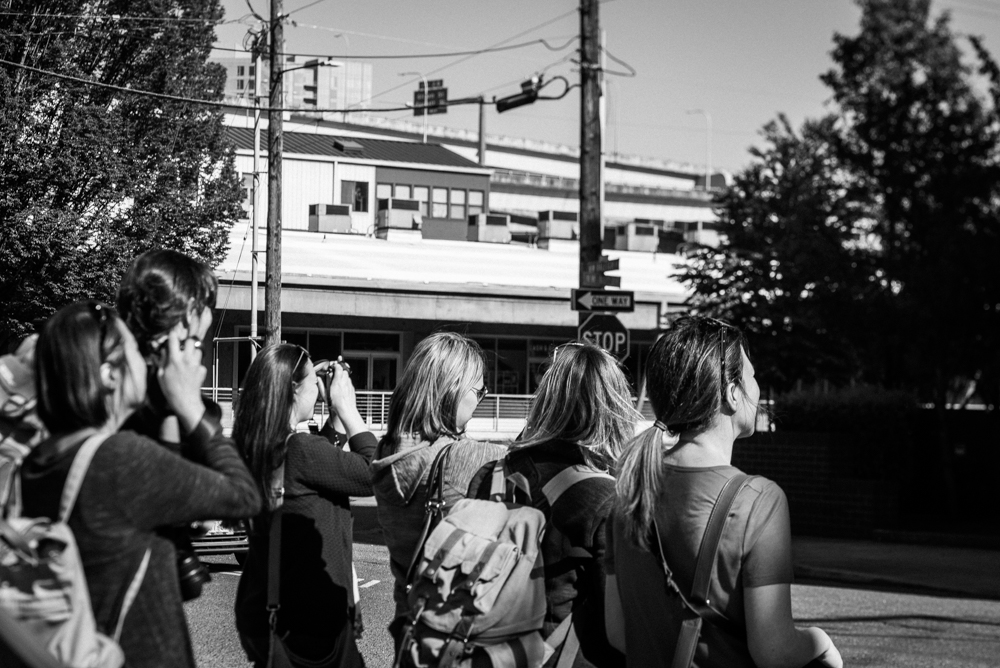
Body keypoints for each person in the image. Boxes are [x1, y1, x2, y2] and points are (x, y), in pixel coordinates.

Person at [20, 301, 261, 668]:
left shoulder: (40, 459)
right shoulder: (119, 459)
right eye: (135, 350)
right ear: (109, 375)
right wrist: (189, 404)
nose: (146, 364)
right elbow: (243, 496)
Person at [604, 316, 843, 668]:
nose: (756, 388)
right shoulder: (758, 500)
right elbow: (775, 651)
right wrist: (821, 642)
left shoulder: (629, 490)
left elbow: (618, 633)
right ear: (732, 393)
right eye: (752, 376)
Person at [495, 342, 640, 667]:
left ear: (546, 402)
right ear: (613, 411)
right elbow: (621, 626)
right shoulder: (605, 498)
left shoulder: (494, 474)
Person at [234, 345, 375, 668]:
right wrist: (348, 408)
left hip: (268, 612)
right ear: (293, 389)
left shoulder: (259, 445)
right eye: (313, 381)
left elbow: (321, 463)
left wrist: (334, 415)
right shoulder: (300, 450)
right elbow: (374, 473)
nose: (318, 388)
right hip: (308, 622)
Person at [370, 332, 507, 652]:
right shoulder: (461, 459)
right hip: (455, 632)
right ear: (453, 389)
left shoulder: (386, 451)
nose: (482, 399)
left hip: (411, 626)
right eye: (479, 391)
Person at [115, 248, 223, 601]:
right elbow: (239, 497)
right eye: (206, 308)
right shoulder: (133, 398)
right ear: (188, 314)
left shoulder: (112, 377)